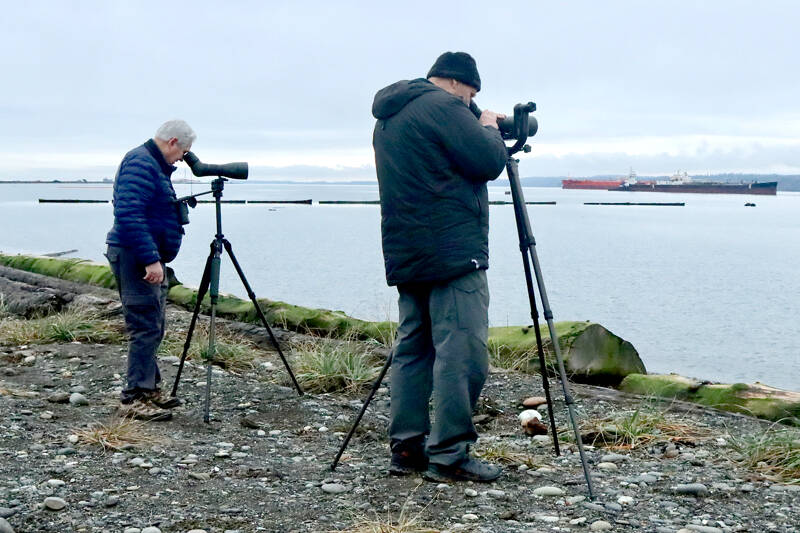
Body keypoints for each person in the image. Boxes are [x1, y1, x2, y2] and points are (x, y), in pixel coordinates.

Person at [372, 52, 509, 482]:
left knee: (413, 350)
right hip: (452, 252)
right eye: (470, 95)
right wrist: (487, 126)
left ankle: (408, 448)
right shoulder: (444, 106)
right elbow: (487, 162)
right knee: (460, 351)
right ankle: (450, 454)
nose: (469, 103)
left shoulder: (389, 115)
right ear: (457, 84)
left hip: (407, 251)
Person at [105, 119, 196, 421]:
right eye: (183, 152)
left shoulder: (152, 165)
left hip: (144, 254)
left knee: (154, 324)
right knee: (144, 324)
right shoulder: (140, 163)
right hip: (134, 256)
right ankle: (132, 398)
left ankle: (148, 389)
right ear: (172, 142)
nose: (183, 159)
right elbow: (129, 214)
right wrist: (150, 259)